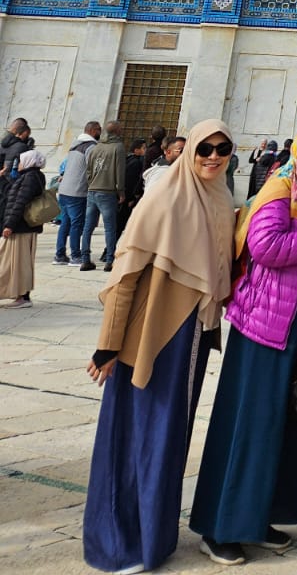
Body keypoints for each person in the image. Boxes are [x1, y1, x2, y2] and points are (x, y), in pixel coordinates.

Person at [189, 119, 297, 566]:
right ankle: (218, 525)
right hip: (264, 324)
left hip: (296, 323)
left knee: (279, 425)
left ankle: (256, 517)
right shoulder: (282, 185)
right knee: (247, 425)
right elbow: (266, 246)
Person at [82, 120, 236, 574]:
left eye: (222, 149)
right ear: (188, 151)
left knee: (169, 440)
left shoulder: (222, 201)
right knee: (134, 435)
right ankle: (120, 542)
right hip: (150, 337)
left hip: (193, 340)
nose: (212, 156)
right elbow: (125, 275)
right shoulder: (164, 198)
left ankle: (155, 538)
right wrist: (107, 345)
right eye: (204, 148)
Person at [0, 148, 48, 305]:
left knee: (15, 264)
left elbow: (20, 202)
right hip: (22, 227)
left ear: (28, 161)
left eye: (20, 161)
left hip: (20, 228)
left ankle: (22, 296)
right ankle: (21, 295)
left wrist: (9, 225)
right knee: (19, 263)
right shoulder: (31, 176)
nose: (18, 164)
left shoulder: (30, 177)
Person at [81, 121, 126, 273]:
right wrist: (121, 191)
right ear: (117, 131)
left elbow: (88, 170)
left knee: (88, 227)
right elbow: (119, 172)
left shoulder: (96, 147)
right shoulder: (118, 147)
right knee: (110, 228)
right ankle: (109, 261)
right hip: (107, 191)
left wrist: (91, 184)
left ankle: (85, 259)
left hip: (92, 190)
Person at [55, 122, 99, 265]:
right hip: (77, 191)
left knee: (65, 223)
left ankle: (60, 255)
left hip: (64, 190)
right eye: (99, 130)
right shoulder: (91, 146)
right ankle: (75, 256)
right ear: (92, 131)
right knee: (76, 224)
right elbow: (92, 168)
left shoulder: (74, 145)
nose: (100, 133)